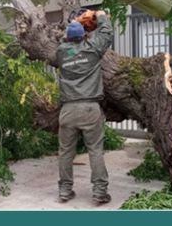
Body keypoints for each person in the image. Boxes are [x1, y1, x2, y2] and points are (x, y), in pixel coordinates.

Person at [55, 10, 113, 204]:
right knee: (95, 150)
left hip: (68, 110)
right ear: (84, 35)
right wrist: (102, 15)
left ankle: (64, 191)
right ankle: (99, 193)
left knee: (65, 152)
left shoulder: (62, 53)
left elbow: (65, 40)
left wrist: (73, 24)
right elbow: (106, 33)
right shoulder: (92, 49)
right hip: (89, 108)